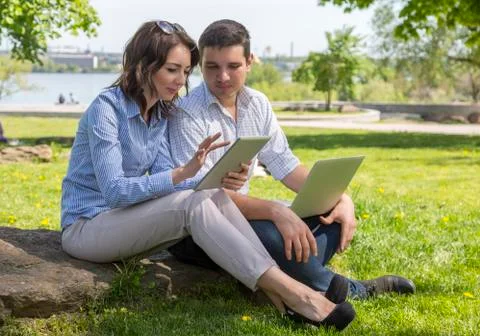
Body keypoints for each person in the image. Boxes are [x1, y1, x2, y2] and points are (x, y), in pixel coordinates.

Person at [60, 20, 356, 331]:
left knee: (207, 195)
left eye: (186, 72)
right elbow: (115, 192)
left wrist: (216, 180)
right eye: (173, 70)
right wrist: (181, 175)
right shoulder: (105, 109)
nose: (181, 81)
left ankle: (286, 293)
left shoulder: (160, 113)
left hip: (129, 222)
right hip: (87, 227)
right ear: (143, 66)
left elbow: (181, 185)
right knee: (197, 203)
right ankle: (299, 295)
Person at [167, 19, 415, 300]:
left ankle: (280, 275)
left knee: (329, 219)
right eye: (212, 67)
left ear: (249, 62)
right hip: (202, 227)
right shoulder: (186, 114)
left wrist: (341, 198)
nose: (222, 76)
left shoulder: (257, 104)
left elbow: (285, 164)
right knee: (271, 233)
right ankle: (346, 289)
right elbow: (204, 196)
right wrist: (275, 211)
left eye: (233, 66)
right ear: (201, 66)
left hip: (243, 218)